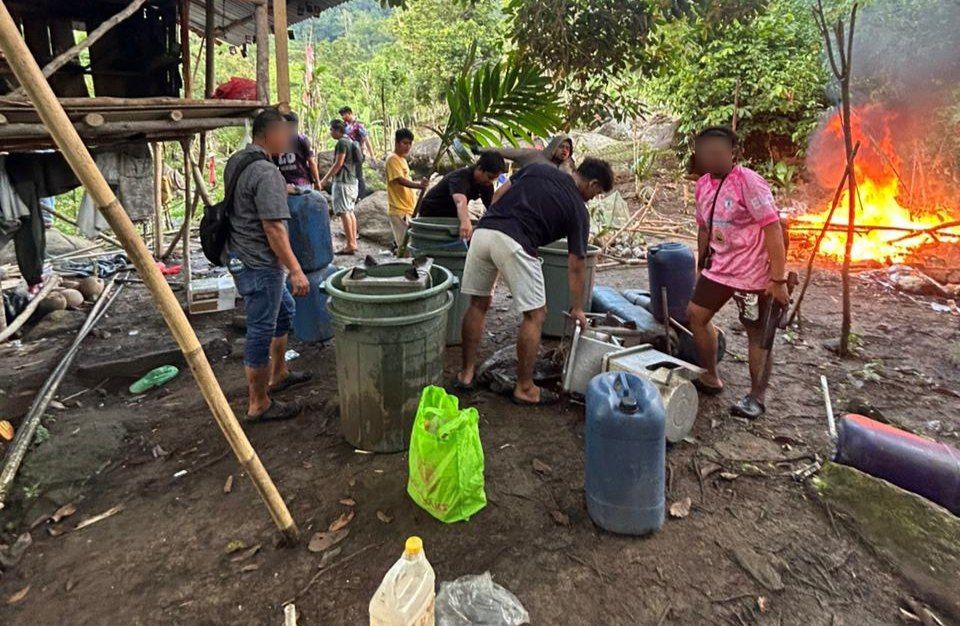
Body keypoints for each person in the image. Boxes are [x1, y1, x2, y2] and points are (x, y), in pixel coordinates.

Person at [456, 157, 614, 405]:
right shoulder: (578, 210)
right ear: (593, 183)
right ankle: (525, 387)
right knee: (536, 315)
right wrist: (578, 307)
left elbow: (499, 194)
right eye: (597, 193)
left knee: (478, 304)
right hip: (514, 240)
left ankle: (465, 374)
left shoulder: (538, 168)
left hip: (484, 232)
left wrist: (498, 221)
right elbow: (576, 265)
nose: (593, 198)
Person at [685, 126, 789, 419]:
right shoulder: (703, 184)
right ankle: (710, 376)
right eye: (706, 153)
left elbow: (773, 228)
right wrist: (701, 265)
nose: (712, 159)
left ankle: (756, 397)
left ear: (734, 153)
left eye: (719, 153)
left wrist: (778, 279)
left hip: (754, 273)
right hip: (720, 267)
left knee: (756, 334)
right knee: (695, 314)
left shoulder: (749, 182)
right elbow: (703, 228)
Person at [223, 108, 312, 423]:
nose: (290, 141)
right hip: (260, 263)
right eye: (286, 134)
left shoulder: (239, 161)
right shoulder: (267, 172)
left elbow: (246, 201)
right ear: (270, 134)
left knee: (284, 313)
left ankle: (278, 374)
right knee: (260, 329)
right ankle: (258, 403)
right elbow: (274, 228)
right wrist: (296, 270)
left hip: (240, 255)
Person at [417, 152, 506, 241]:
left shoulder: (486, 184)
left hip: (452, 214)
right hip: (431, 213)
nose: (491, 181)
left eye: (494, 179)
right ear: (479, 168)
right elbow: (460, 201)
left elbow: (491, 206)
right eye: (490, 177)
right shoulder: (461, 176)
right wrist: (465, 221)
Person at [478, 134, 575, 203]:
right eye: (561, 147)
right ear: (554, 146)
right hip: (519, 200)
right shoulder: (534, 156)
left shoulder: (566, 172)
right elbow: (507, 151)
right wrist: (480, 150)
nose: (565, 150)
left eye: (568, 148)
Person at [318, 118, 360, 255]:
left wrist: (324, 180)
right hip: (352, 181)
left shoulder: (342, 143)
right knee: (350, 211)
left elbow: (338, 163)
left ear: (337, 130)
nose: (330, 132)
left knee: (344, 212)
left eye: (331, 129)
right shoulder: (350, 140)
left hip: (343, 182)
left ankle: (350, 244)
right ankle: (353, 241)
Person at [385, 128, 428, 249]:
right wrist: (419, 185)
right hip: (399, 209)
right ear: (397, 143)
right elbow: (399, 180)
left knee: (410, 244)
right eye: (405, 143)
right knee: (404, 246)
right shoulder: (392, 159)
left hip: (408, 208)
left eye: (410, 143)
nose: (408, 146)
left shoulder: (402, 160)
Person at [274, 111, 321, 193]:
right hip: (297, 184)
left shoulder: (277, 141)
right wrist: (317, 182)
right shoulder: (302, 139)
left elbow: (311, 162)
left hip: (292, 185)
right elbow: (311, 162)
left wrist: (317, 181)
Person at [339, 106, 376, 198]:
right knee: (349, 174)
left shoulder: (358, 125)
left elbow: (366, 140)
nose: (343, 117)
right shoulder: (344, 125)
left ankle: (361, 196)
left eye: (344, 115)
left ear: (350, 113)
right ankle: (351, 195)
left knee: (358, 174)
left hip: (357, 153)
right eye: (342, 115)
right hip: (347, 154)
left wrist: (372, 155)